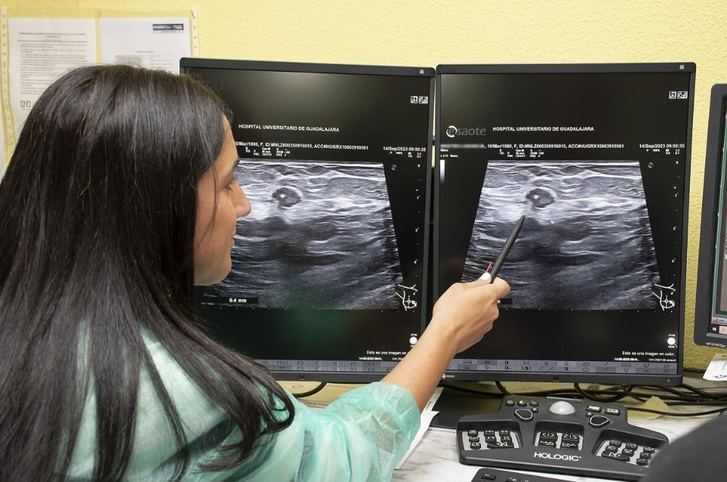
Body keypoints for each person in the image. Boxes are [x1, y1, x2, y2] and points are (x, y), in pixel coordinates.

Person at [0, 65, 510, 481]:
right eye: (227, 183)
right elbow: (344, 460)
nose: (244, 206)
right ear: (154, 210)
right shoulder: (198, 398)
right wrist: (443, 333)